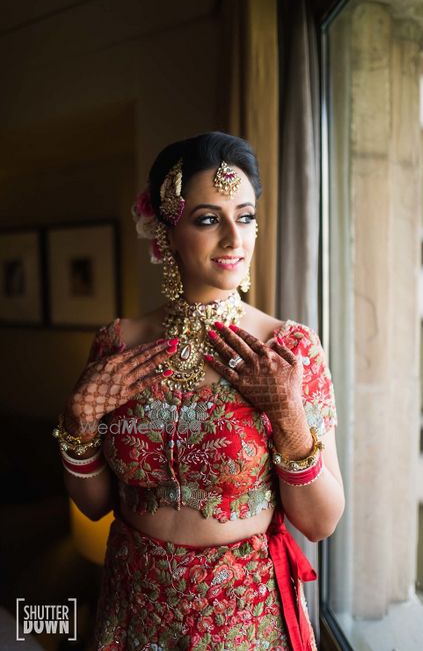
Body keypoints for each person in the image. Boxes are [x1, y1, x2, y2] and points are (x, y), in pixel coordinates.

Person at [53, 132, 345, 650]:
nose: (235, 238)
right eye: (209, 219)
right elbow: (96, 505)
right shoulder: (117, 345)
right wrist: (78, 426)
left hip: (242, 615)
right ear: (165, 231)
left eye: (246, 215)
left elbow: (320, 522)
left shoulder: (289, 350)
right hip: (133, 605)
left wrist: (290, 419)